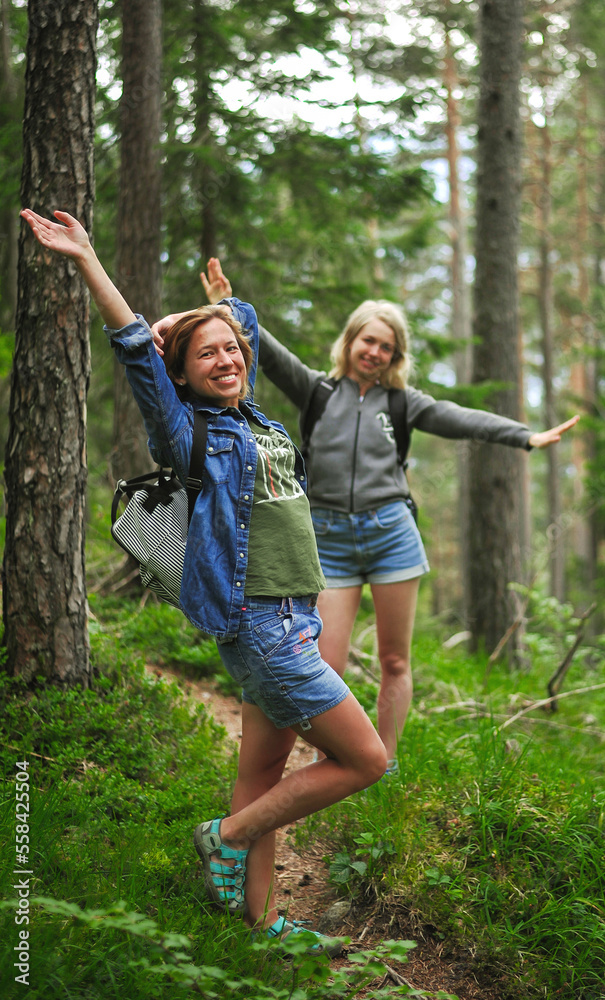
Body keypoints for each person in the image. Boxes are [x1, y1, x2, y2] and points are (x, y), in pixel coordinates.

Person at [21, 208, 388, 954]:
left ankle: (259, 926)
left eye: (232, 350)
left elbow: (236, 328)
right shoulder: (189, 430)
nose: (225, 359)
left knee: (260, 774)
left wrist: (222, 304)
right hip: (259, 625)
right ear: (181, 374)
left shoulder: (256, 421)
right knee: (366, 760)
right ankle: (222, 838)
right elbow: (134, 349)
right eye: (207, 355)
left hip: (296, 617)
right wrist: (90, 259)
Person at [155, 261, 579, 776]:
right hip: (328, 540)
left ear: (395, 356)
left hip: (392, 537)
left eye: (388, 347)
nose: (375, 353)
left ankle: (388, 761)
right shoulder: (317, 391)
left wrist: (525, 436)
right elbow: (255, 347)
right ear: (350, 341)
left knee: (395, 661)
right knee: (320, 660)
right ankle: (331, 759)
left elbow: (459, 418)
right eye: (368, 341)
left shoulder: (402, 403)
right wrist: (226, 304)